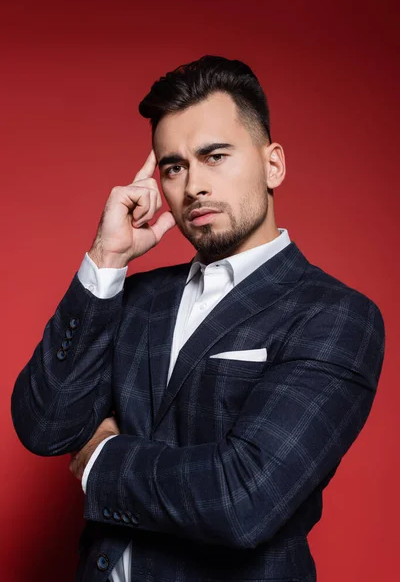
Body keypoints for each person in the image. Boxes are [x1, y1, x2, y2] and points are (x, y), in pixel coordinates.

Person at [11, 55, 385, 582]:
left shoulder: (336, 315)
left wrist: (101, 458)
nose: (193, 186)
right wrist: (106, 260)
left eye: (214, 157)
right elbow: (45, 426)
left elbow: (243, 498)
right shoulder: (134, 297)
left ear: (272, 163)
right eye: (174, 166)